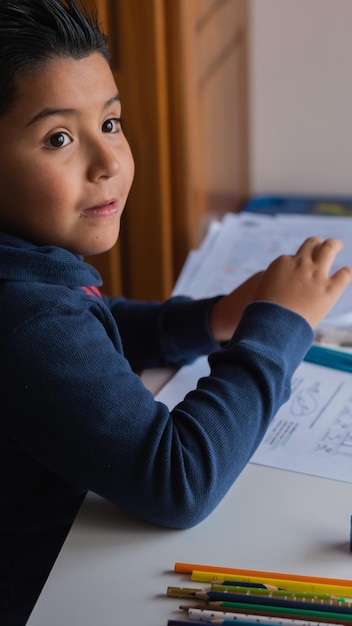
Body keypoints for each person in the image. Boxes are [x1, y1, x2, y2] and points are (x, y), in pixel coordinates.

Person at [0, 1, 351, 624]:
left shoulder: (29, 269)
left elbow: (94, 330)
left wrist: (216, 316)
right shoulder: (22, 313)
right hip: (50, 593)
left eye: (111, 123)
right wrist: (276, 329)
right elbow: (177, 479)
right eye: (59, 138)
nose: (108, 162)